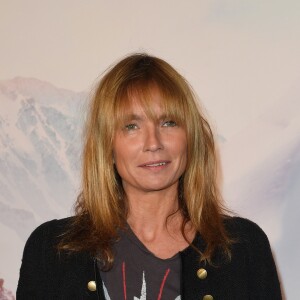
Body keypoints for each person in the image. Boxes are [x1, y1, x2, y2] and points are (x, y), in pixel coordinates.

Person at [17, 53, 282, 299]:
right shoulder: (51, 251)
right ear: (107, 147)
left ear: (190, 139)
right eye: (131, 126)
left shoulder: (243, 248)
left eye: (168, 122)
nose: (153, 142)